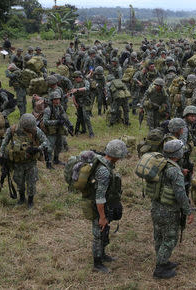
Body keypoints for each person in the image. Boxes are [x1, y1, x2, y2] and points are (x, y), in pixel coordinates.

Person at [151, 140, 194, 279]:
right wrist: (188, 211)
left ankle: (163, 260)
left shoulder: (160, 164)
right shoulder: (174, 172)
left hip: (156, 207)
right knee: (170, 238)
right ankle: (160, 269)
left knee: (159, 236)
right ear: (178, 153)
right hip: (169, 211)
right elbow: (181, 195)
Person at [88, 140, 128, 273]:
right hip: (98, 207)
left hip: (105, 205)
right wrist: (102, 217)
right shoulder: (104, 171)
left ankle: (103, 255)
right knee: (99, 233)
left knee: (104, 231)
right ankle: (97, 263)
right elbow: (99, 196)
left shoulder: (107, 165)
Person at [0, 113, 49, 208]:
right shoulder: (13, 130)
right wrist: (1, 154)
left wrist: (38, 149)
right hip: (17, 163)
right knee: (19, 182)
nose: (30, 130)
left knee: (31, 182)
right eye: (28, 128)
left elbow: (46, 142)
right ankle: (21, 198)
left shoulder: (35, 130)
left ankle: (30, 201)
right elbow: (4, 142)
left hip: (30, 163)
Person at [42, 91, 70, 169]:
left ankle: (56, 159)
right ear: (52, 100)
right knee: (50, 148)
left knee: (59, 146)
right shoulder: (48, 109)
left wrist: (69, 124)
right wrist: (56, 121)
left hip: (59, 130)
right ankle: (49, 163)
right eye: (55, 99)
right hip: (51, 131)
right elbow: (45, 121)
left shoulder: (60, 107)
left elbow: (64, 116)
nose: (57, 101)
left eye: (58, 99)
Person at [71, 71, 94, 137]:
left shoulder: (85, 82)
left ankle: (91, 133)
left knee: (86, 117)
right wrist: (75, 103)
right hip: (78, 101)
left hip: (85, 101)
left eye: (75, 78)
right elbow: (73, 94)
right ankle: (80, 130)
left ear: (79, 77)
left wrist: (77, 90)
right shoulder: (75, 83)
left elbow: (86, 88)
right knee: (79, 117)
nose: (75, 79)